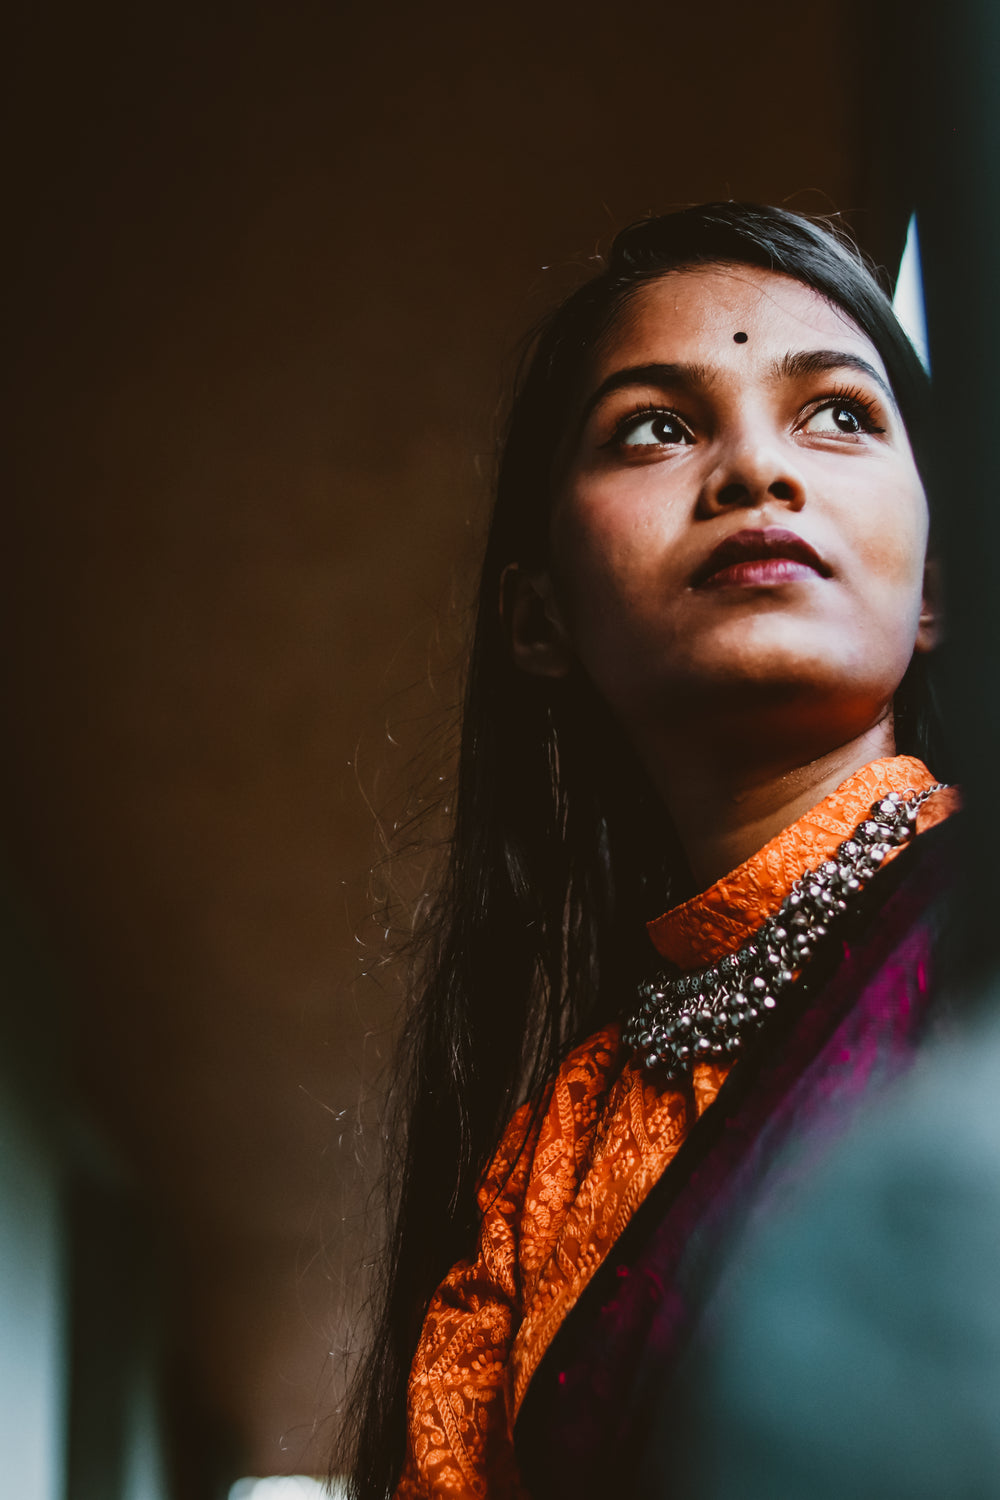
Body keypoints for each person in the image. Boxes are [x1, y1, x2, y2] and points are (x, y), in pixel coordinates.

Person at [337, 202, 960, 1500]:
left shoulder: (980, 940)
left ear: (943, 578)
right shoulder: (548, 1166)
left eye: (840, 413)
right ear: (538, 619)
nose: (755, 473)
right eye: (657, 428)